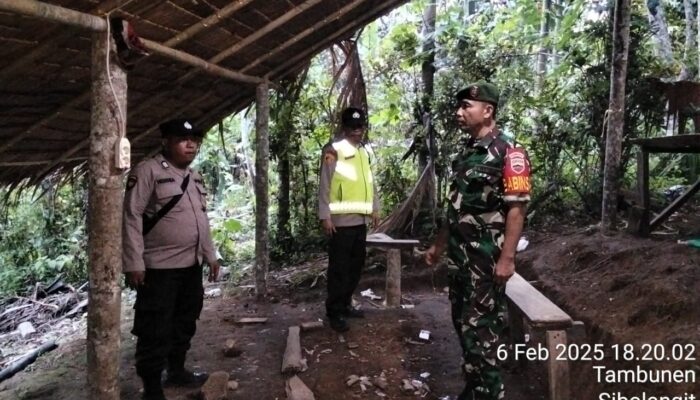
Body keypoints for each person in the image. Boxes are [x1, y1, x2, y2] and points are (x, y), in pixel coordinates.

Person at [424, 82, 531, 400]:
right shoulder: (467, 152)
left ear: (488, 110)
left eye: (466, 106)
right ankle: (474, 389)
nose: (459, 112)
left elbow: (516, 209)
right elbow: (455, 206)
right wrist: (439, 245)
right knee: (463, 326)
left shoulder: (510, 153)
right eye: (458, 107)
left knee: (481, 332)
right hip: (460, 260)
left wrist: (507, 258)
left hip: (485, 262)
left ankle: (488, 391)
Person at [123, 118, 220, 400]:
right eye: (182, 140)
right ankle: (152, 388)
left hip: (191, 266)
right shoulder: (147, 171)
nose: (191, 145)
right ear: (165, 141)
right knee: (155, 328)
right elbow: (131, 216)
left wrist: (211, 256)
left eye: (195, 141)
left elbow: (201, 219)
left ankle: (176, 370)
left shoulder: (195, 176)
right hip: (159, 269)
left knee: (185, 321)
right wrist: (134, 263)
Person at [318, 107, 380, 333]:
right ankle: (334, 311)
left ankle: (345, 304)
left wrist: (375, 208)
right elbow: (325, 183)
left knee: (355, 267)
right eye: (352, 127)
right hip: (340, 222)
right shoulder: (333, 150)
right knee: (339, 269)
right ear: (344, 128)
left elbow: (369, 182)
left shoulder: (363, 151)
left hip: (359, 221)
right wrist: (325, 216)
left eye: (360, 127)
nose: (357, 131)